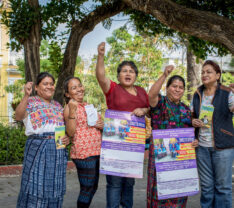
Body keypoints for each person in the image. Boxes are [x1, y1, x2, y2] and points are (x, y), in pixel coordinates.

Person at [96, 42, 149, 208]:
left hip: (134, 145)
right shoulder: (112, 88)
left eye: (131, 71)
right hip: (115, 144)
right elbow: (100, 76)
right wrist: (101, 55)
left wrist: (143, 109)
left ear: (135, 76)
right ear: (118, 76)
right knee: (115, 183)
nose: (128, 73)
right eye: (124, 71)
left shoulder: (141, 91)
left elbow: (149, 108)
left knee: (129, 183)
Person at [15, 72, 69, 208]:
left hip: (57, 148)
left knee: (55, 184)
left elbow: (61, 128)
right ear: (37, 88)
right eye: (45, 84)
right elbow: (18, 116)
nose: (49, 86)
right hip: (38, 146)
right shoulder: (31, 101)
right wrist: (26, 95)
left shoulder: (57, 105)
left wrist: (66, 138)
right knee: (35, 183)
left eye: (51, 84)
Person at [147, 66, 198, 207]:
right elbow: (151, 95)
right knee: (159, 193)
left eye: (181, 87)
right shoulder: (161, 103)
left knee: (179, 192)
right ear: (167, 87)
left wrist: (193, 142)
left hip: (180, 159)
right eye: (174, 86)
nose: (177, 89)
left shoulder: (186, 109)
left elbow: (189, 134)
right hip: (161, 157)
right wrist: (164, 74)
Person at [191, 60, 234, 208]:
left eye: (208, 72)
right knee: (207, 188)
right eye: (202, 72)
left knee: (223, 188)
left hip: (223, 147)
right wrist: (193, 121)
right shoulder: (197, 94)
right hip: (202, 148)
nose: (204, 74)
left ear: (217, 75)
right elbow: (191, 116)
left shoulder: (227, 92)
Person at [63, 76, 104, 208]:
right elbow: (70, 132)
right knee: (87, 187)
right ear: (68, 94)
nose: (79, 89)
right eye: (74, 88)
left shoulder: (88, 105)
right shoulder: (69, 107)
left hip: (96, 150)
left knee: (93, 186)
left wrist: (102, 125)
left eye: (79, 85)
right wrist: (73, 111)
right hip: (83, 153)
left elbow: (100, 125)